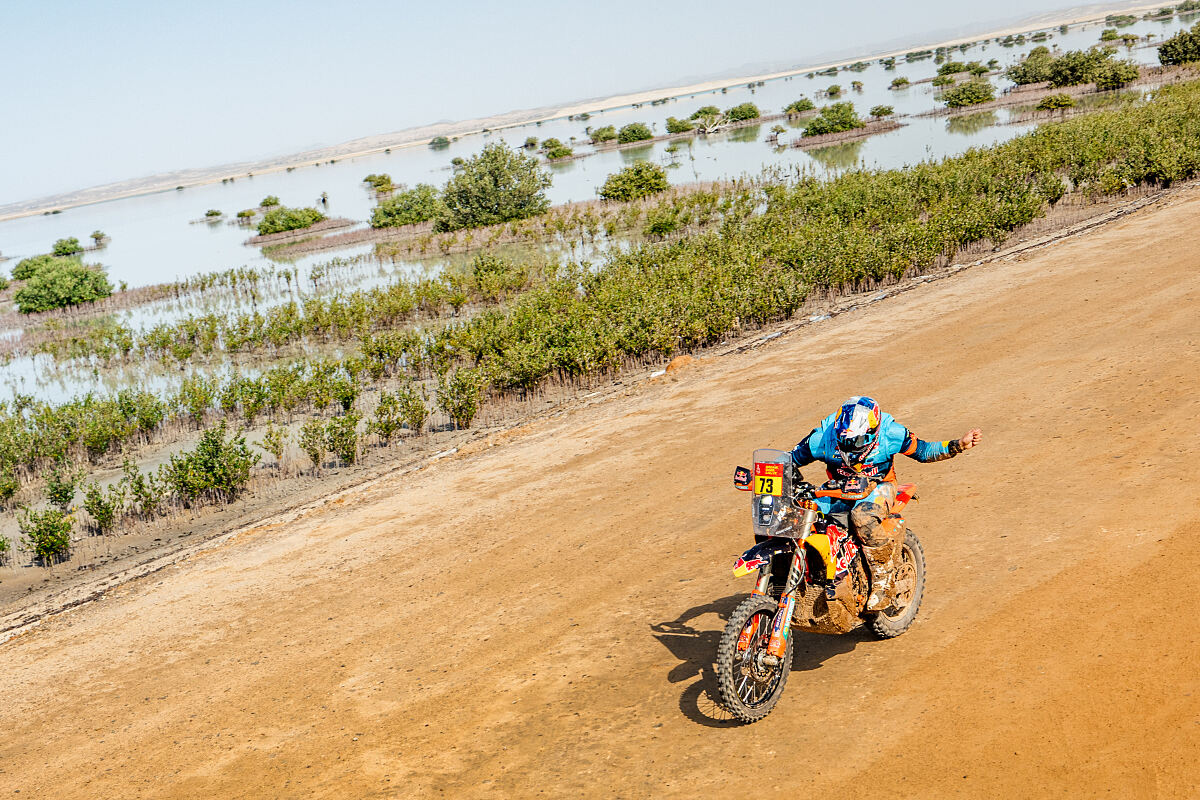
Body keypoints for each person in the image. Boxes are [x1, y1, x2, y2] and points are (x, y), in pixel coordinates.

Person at [790, 396, 982, 611]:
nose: (851, 445)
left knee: (862, 517)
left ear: (873, 432)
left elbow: (924, 451)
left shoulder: (892, 433)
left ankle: (883, 576)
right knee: (800, 510)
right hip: (838, 488)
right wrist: (761, 474)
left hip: (880, 488)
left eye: (858, 441)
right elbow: (789, 460)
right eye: (845, 440)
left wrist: (959, 445)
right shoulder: (822, 438)